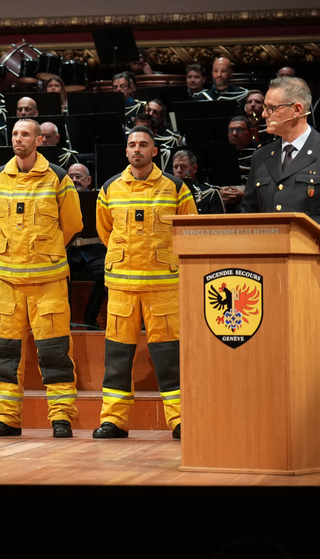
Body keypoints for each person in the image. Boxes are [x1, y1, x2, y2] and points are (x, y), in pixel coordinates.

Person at [241, 76, 320, 437]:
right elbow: (251, 212)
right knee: (268, 359)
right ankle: (270, 431)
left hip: (313, 276)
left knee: (311, 361)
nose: (262, 113)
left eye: (270, 108)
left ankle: (312, 435)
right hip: (264, 279)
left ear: (297, 109)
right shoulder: (263, 156)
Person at [93, 126, 197, 440]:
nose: (137, 149)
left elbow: (189, 232)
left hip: (163, 288)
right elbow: (104, 231)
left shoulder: (175, 188)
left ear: (155, 151)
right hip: (123, 288)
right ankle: (114, 421)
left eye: (143, 145)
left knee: (170, 357)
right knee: (117, 358)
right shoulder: (110, 188)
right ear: (126, 152)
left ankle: (181, 419)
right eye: (132, 145)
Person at [0, 118, 83, 439]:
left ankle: (61, 417)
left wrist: (46, 250)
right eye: (14, 134)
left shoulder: (58, 177)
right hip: (8, 281)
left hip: (47, 280)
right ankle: (6, 418)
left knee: (54, 351)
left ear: (39, 140)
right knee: (6, 354)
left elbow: (72, 224)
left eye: (25, 134)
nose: (18, 139)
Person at [66, 162, 107, 329]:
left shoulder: (99, 199)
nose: (75, 180)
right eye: (71, 177)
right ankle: (65, 320)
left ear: (88, 180)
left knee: (106, 273)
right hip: (69, 250)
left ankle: (90, 319)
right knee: (58, 274)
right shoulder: (61, 197)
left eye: (79, 177)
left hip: (95, 250)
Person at [219, 115, 259, 210]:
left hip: (251, 200)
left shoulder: (261, 153)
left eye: (239, 130)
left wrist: (245, 195)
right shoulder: (220, 154)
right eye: (231, 130)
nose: (234, 134)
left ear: (251, 132)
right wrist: (218, 193)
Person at [172, 149, 225, 214]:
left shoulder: (210, 193)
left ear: (194, 168)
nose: (179, 170)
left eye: (183, 166)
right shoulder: (166, 191)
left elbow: (218, 222)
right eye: (175, 167)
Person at [144, 99, 184, 170]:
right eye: (148, 110)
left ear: (161, 118)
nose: (150, 114)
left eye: (155, 112)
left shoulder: (171, 139)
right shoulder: (132, 135)